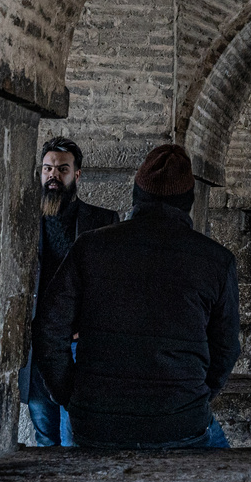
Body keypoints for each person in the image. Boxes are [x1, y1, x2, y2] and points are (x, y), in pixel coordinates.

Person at [33, 144, 240, 448]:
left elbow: (50, 329)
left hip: (97, 421)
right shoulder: (217, 261)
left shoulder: (91, 247)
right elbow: (226, 348)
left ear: (137, 194)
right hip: (180, 422)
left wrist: (73, 396)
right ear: (187, 202)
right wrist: (191, 398)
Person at [22, 136, 117, 446]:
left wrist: (87, 326)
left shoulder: (103, 222)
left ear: (76, 175)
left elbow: (111, 285)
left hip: (79, 343)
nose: (53, 175)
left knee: (73, 434)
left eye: (62, 169)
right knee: (44, 432)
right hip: (36, 344)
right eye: (48, 168)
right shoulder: (21, 221)